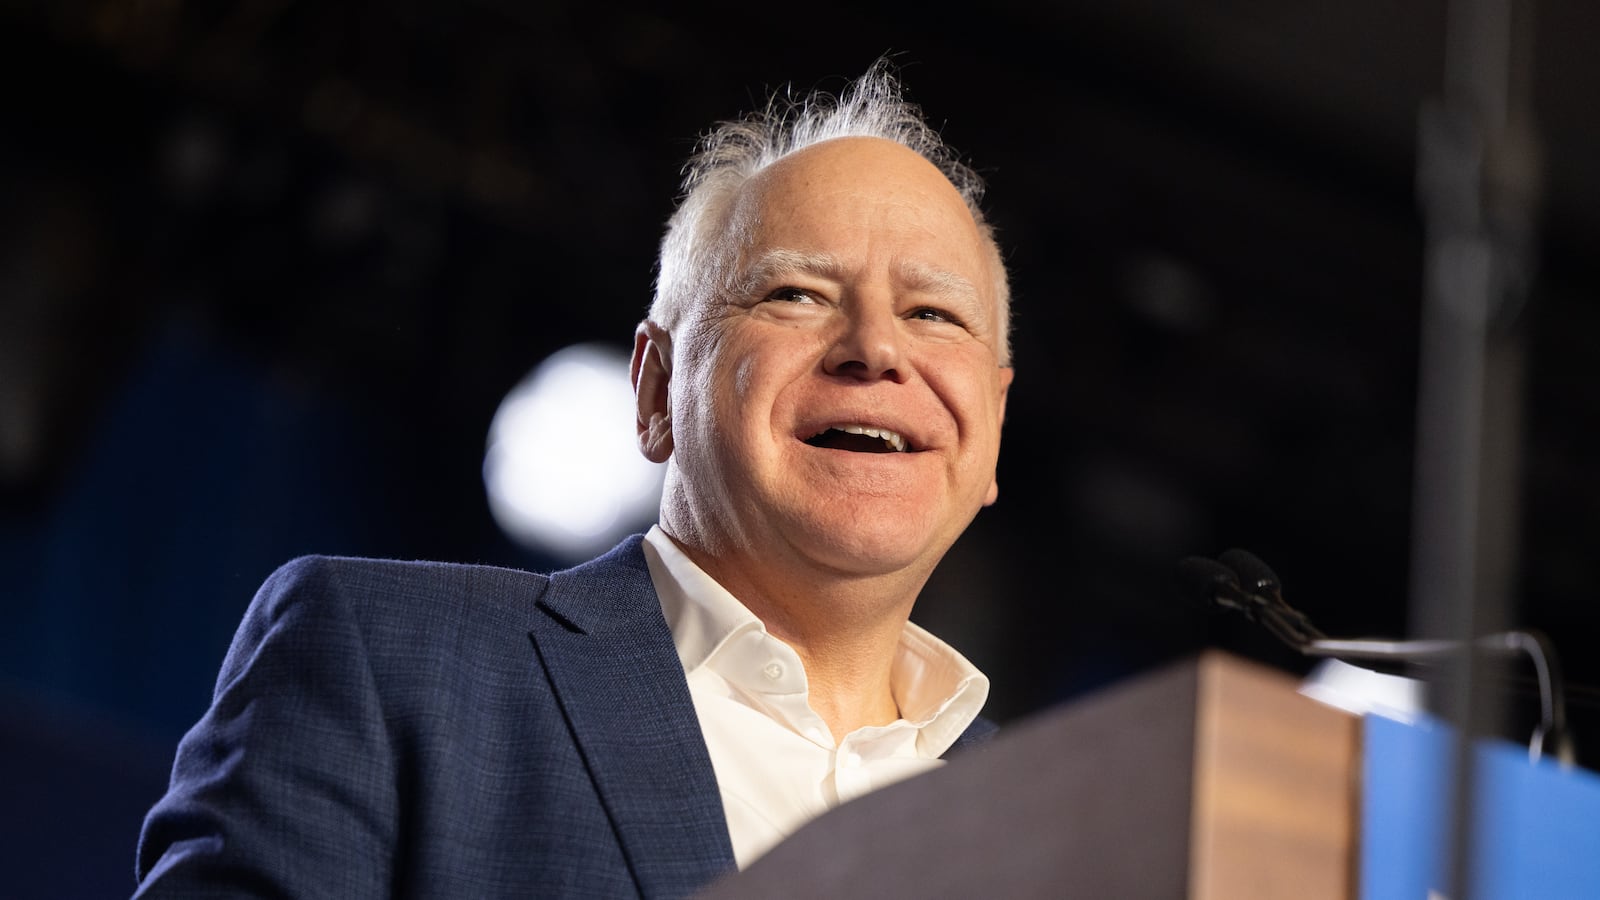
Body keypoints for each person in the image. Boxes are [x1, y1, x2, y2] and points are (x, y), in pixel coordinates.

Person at [134, 58, 1015, 899]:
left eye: (934, 312)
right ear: (658, 390)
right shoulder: (384, 663)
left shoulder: (1066, 820)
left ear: (995, 426)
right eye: (797, 294)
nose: (877, 349)